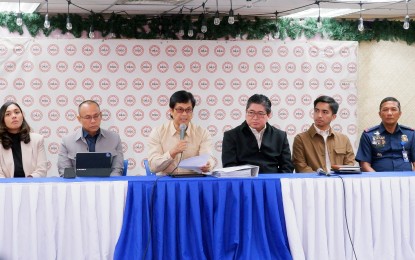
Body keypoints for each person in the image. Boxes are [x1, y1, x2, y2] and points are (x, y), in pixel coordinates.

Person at [221, 94, 293, 173]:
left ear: (269, 115)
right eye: (251, 112)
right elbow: (229, 167)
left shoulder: (280, 136)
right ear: (246, 112)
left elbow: (287, 166)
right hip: (244, 181)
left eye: (260, 113)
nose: (255, 117)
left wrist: (276, 182)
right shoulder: (231, 136)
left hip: (272, 181)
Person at [147, 90, 213, 175]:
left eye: (188, 110)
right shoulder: (158, 132)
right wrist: (173, 152)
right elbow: (153, 167)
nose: (184, 114)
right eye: (180, 110)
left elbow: (208, 158)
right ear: (171, 111)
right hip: (166, 183)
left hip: (193, 181)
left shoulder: (202, 133)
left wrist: (207, 165)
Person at [57, 100, 124, 176]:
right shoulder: (67, 141)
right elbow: (65, 172)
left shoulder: (114, 139)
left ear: (101, 115)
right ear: (79, 119)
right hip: (78, 186)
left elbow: (117, 170)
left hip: (107, 186)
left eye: (96, 116)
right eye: (88, 117)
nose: (93, 121)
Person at [292, 95, 355, 173]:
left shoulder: (343, 139)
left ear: (333, 117)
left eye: (325, 112)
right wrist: (322, 179)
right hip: (313, 183)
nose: (319, 115)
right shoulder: (301, 139)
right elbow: (300, 166)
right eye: (316, 111)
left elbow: (349, 165)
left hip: (338, 182)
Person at [356, 97, 415, 172]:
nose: (389, 113)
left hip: (406, 180)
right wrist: (379, 180)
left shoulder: (411, 134)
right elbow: (364, 164)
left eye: (393, 109)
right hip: (378, 180)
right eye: (385, 110)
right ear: (380, 114)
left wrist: (411, 179)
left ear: (400, 114)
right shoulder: (368, 135)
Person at [0, 102, 47, 178]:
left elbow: (41, 170)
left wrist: (25, 184)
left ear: (22, 115)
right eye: (8, 114)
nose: (14, 116)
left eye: (17, 112)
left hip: (31, 186)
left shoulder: (37, 140)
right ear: (2, 119)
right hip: (4, 188)